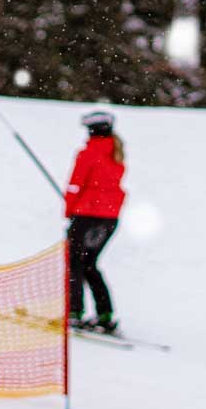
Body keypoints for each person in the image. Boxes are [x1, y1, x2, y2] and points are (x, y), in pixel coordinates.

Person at [64, 108, 126, 334]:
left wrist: (70, 211)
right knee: (89, 264)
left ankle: (74, 313)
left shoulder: (88, 153)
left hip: (87, 215)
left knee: (75, 263)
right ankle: (105, 314)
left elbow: (75, 185)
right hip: (109, 218)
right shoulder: (117, 153)